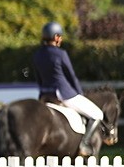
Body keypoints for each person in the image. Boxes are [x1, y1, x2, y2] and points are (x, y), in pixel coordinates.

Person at [32, 21, 103, 156]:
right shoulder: (60, 54)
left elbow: (38, 78)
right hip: (64, 94)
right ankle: (84, 144)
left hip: (45, 95)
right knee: (97, 114)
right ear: (56, 37)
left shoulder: (37, 55)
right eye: (60, 36)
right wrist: (80, 94)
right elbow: (71, 76)